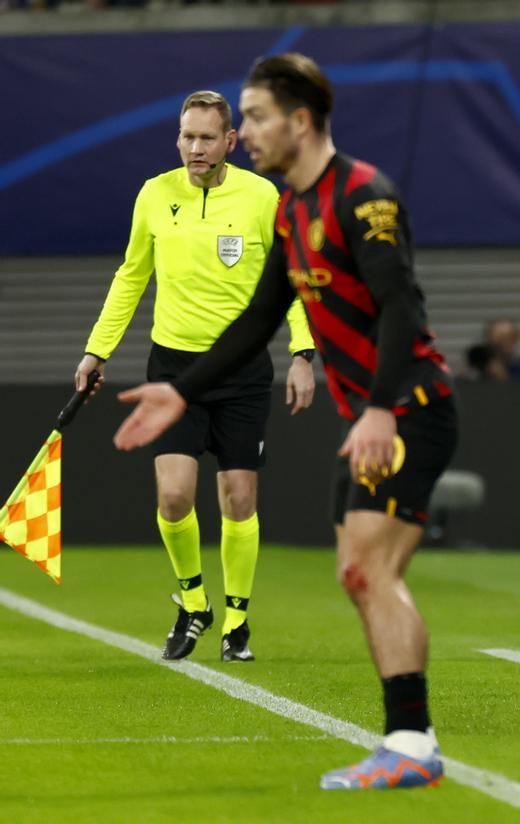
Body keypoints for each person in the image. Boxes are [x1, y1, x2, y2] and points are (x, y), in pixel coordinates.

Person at [112, 53, 456, 791]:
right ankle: (409, 741)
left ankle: (412, 743)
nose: (247, 132)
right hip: (380, 412)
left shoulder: (363, 196)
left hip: (410, 408)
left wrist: (376, 409)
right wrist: (181, 390)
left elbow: (402, 310)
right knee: (361, 573)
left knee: (372, 570)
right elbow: (256, 321)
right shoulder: (293, 208)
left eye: (258, 116)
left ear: (300, 121)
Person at [75, 90, 316, 664]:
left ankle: (236, 621)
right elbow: (131, 276)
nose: (195, 148)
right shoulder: (156, 195)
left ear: (231, 141)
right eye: (187, 136)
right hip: (175, 372)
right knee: (175, 497)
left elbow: (294, 278)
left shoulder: (262, 196)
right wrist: (96, 351)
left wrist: (303, 353)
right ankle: (193, 603)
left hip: (243, 369)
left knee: (238, 498)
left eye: (207, 138)